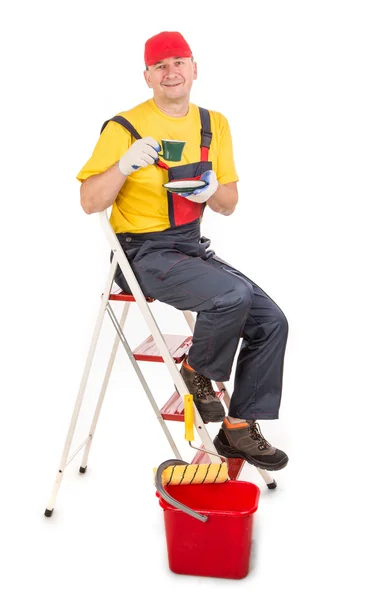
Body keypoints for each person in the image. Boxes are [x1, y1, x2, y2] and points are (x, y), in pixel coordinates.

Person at [77, 31, 289, 471]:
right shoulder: (124, 127)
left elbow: (228, 205)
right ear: (147, 77)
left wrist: (212, 190)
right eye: (160, 65)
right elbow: (89, 202)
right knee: (232, 296)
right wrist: (122, 165)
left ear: (194, 68)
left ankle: (237, 428)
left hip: (190, 247)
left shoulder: (214, 124)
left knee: (271, 321)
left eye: (179, 62)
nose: (171, 72)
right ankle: (197, 372)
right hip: (140, 254)